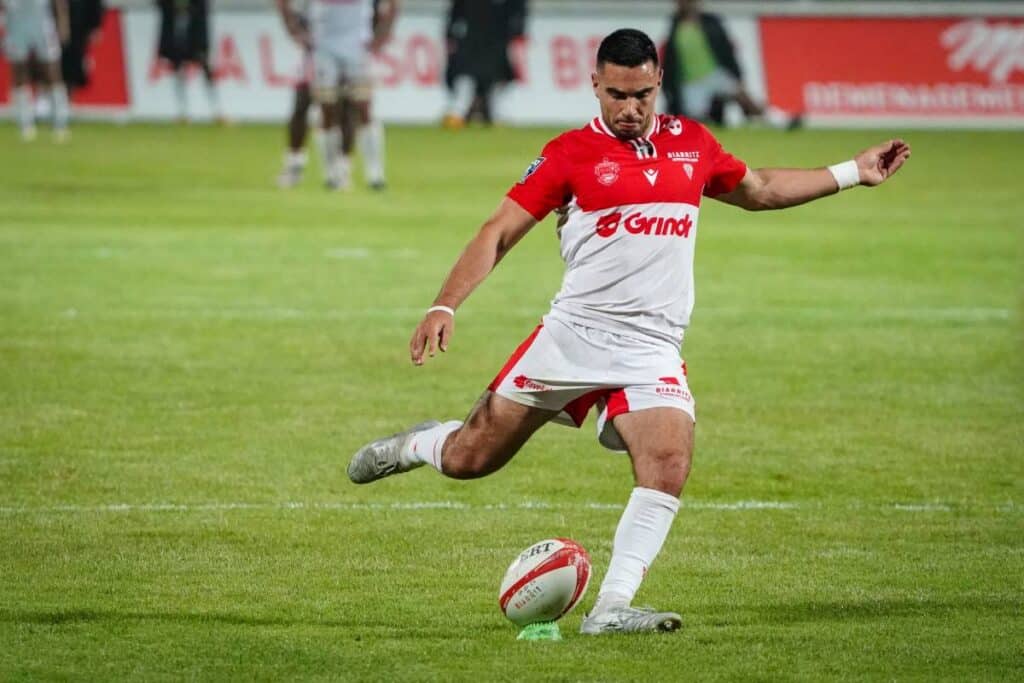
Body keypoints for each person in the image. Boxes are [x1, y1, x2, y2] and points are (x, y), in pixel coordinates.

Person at [348, 29, 910, 634]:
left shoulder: (692, 143)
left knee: (668, 461)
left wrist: (854, 170)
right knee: (470, 460)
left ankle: (612, 607)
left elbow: (761, 189)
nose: (630, 108)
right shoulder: (568, 154)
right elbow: (498, 231)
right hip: (572, 338)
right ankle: (420, 444)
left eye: (641, 93)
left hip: (652, 348)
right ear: (595, 84)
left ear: (658, 82)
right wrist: (445, 305)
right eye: (616, 94)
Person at [281, 0, 397, 191]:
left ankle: (375, 174)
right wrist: (294, 30)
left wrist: (383, 34)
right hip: (323, 47)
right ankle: (331, 173)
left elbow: (393, 4)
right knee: (327, 108)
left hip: (358, 45)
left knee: (363, 106)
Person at [662, 0, 798, 129]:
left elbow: (726, 51)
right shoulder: (675, 26)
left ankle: (781, 120)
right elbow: (670, 61)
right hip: (691, 83)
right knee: (695, 122)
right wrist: (669, 90)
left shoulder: (711, 22)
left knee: (746, 100)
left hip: (715, 75)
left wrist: (737, 76)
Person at [442, 0, 525, 128]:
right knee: (466, 75)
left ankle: (498, 114)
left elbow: (518, 11)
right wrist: (450, 33)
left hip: (499, 38)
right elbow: (456, 12)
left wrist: (517, 32)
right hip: (471, 36)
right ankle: (457, 113)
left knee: (498, 77)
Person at [2, 0, 71, 141]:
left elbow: (58, 3)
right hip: (16, 23)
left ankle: (60, 122)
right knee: (19, 73)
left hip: (42, 23)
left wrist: (63, 25)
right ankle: (24, 124)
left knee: (51, 72)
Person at [156, 0, 224, 124]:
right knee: (178, 68)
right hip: (175, 31)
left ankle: (217, 111)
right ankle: (183, 112)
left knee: (204, 64)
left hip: (196, 30)